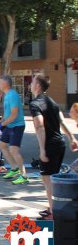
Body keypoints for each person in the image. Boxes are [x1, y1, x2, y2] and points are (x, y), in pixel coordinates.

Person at [29, 75, 77, 220]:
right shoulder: (52, 101)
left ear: (37, 86)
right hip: (59, 144)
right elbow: (61, 121)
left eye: (32, 82)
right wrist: (72, 138)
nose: (30, 84)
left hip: (49, 146)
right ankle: (53, 208)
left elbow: (39, 126)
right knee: (51, 178)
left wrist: (43, 150)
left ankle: (53, 212)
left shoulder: (35, 104)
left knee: (47, 179)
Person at [0, 75, 28, 184]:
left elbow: (14, 115)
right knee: (1, 145)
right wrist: (0, 123)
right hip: (10, 125)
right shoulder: (7, 95)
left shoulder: (13, 95)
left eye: (0, 82)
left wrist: (2, 124)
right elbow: (7, 114)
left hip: (17, 125)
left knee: (13, 150)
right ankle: (14, 168)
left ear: (5, 83)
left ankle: (24, 176)